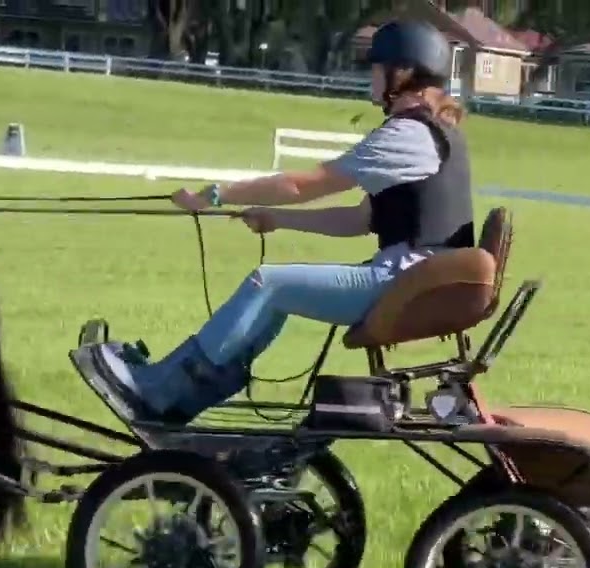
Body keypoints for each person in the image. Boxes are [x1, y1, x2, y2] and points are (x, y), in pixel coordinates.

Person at [91, 19, 476, 425]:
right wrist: (279, 219)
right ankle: (186, 398)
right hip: (409, 278)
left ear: (402, 73)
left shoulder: (407, 136)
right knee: (275, 298)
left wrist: (215, 194)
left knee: (268, 283)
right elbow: (360, 219)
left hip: (401, 282)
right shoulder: (434, 134)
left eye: (376, 68)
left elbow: (302, 185)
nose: (371, 77)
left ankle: (159, 388)